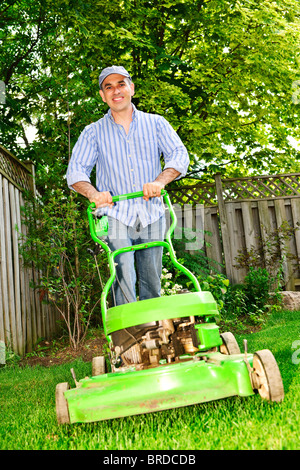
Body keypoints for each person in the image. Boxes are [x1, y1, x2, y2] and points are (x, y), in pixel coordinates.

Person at [66, 65, 189, 306]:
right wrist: (93, 194)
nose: (116, 91)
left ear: (131, 88)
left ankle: (153, 333)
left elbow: (179, 155)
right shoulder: (93, 133)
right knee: (123, 269)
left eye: (121, 84)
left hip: (151, 213)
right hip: (115, 214)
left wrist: (159, 181)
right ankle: (128, 337)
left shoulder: (156, 123)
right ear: (103, 96)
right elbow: (75, 172)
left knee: (152, 281)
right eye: (108, 87)